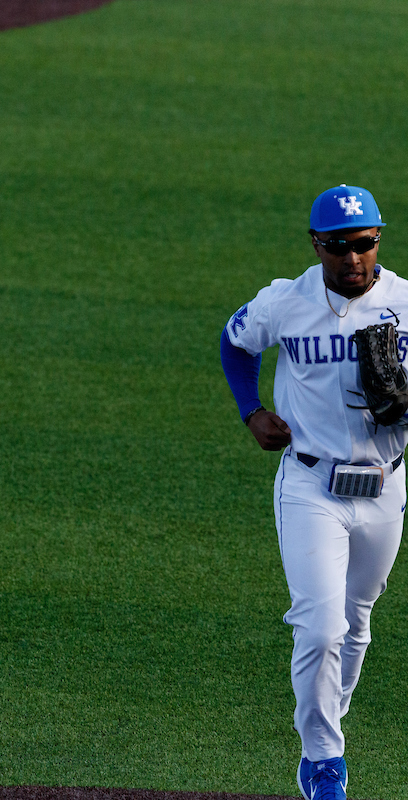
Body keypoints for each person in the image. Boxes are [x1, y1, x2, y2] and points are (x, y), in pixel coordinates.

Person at [221, 185, 405, 800]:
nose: (352, 259)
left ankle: (331, 713)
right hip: (310, 486)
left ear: (378, 239)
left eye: (363, 245)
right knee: (321, 627)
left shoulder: (406, 304)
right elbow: (235, 341)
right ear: (316, 245)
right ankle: (322, 757)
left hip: (385, 488)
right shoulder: (287, 301)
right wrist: (252, 412)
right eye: (337, 248)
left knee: (356, 623)